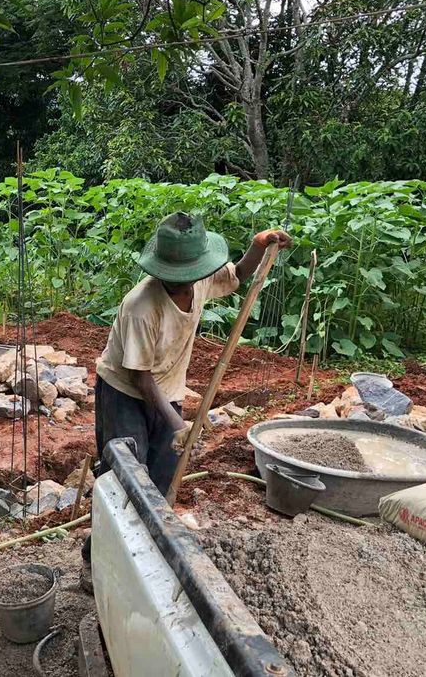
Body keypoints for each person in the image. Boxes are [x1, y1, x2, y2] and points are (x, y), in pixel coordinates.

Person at [80, 212, 291, 589]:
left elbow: (238, 275)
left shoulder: (201, 278)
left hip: (168, 389)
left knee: (162, 474)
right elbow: (139, 376)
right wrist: (178, 424)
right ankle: (95, 557)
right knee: (124, 478)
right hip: (124, 391)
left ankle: (145, 549)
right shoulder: (141, 306)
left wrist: (257, 247)